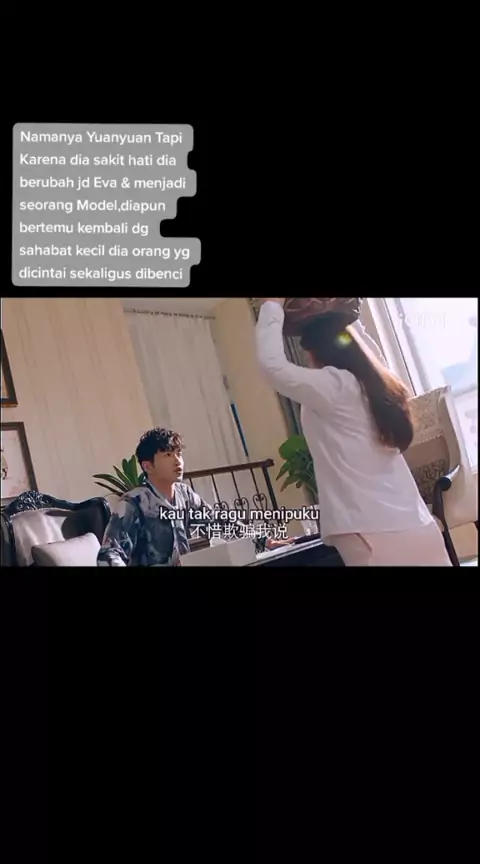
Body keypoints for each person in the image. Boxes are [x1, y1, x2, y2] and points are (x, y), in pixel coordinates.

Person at [255, 299, 452, 566]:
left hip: (371, 530)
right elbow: (372, 352)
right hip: (418, 524)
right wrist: (349, 316)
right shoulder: (380, 384)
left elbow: (273, 367)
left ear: (314, 353)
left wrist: (272, 305)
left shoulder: (335, 386)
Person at [97, 427, 293, 566]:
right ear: (148, 466)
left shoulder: (185, 495)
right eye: (167, 455)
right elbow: (109, 554)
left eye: (178, 453)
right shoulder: (134, 503)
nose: (177, 461)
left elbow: (219, 523)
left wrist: (264, 541)